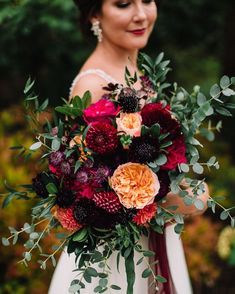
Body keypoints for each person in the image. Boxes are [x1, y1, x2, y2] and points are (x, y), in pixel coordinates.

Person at [48, 1, 210, 293]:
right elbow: (87, 196)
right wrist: (180, 200)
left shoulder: (137, 71)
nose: (141, 14)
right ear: (94, 14)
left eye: (147, 0)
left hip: (154, 246)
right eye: (123, 4)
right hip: (116, 263)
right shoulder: (93, 85)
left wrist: (182, 185)